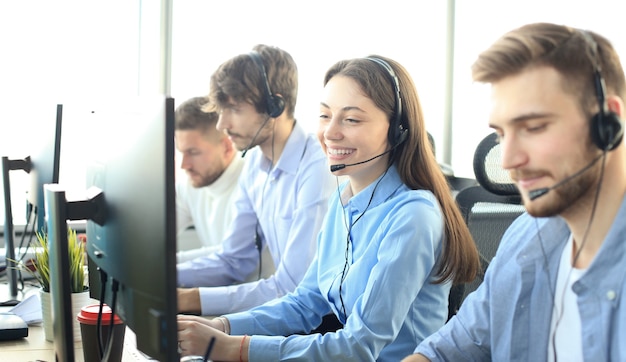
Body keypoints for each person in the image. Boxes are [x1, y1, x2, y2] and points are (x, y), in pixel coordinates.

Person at [176, 55, 480, 361]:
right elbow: (304, 303)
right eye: (324, 116)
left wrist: (231, 347)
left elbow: (358, 346)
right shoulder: (344, 200)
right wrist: (220, 326)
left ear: (397, 129)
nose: (330, 132)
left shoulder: (412, 215)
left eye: (351, 119)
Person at [404, 22, 626, 361]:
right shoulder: (526, 237)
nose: (508, 160)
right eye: (501, 134)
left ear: (607, 123)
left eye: (534, 127)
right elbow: (450, 348)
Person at [176, 44, 336, 316]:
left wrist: (190, 299)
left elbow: (293, 288)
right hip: (285, 315)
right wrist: (162, 275)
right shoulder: (253, 164)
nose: (221, 125)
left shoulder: (317, 169)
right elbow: (235, 259)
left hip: (321, 324)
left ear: (275, 106)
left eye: (234, 109)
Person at [174, 96, 244, 263]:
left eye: (193, 152)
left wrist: (164, 266)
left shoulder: (252, 184)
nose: (185, 165)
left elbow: (232, 255)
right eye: (181, 152)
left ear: (226, 147)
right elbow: (156, 237)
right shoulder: (189, 184)